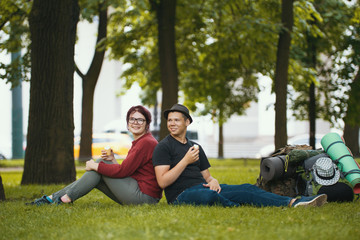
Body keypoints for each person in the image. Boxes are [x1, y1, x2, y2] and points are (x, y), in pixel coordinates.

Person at [152, 104, 327, 207]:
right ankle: (235, 205)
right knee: (211, 196)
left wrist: (213, 181)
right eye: (169, 120)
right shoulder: (163, 147)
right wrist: (185, 161)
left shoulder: (195, 146)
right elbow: (163, 181)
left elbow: (208, 177)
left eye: (176, 120)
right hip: (180, 195)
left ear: (187, 122)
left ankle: (294, 202)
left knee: (247, 188)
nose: (172, 123)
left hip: (202, 187)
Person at [27, 105, 162, 206]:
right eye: (132, 119)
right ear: (127, 124)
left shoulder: (145, 143)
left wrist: (95, 165)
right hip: (141, 192)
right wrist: (112, 160)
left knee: (99, 166)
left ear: (147, 124)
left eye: (140, 120)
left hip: (145, 198)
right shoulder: (142, 141)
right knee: (96, 174)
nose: (135, 123)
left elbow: (123, 172)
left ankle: (60, 199)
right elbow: (131, 171)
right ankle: (53, 199)